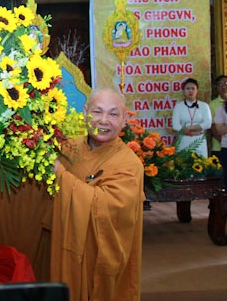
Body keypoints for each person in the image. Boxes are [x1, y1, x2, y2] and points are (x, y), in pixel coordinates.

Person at [51, 88, 144, 301]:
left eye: (113, 114)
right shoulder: (69, 149)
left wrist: (60, 175)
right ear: (85, 113)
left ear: (124, 119)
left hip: (101, 256)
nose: (104, 120)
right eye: (97, 112)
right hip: (68, 245)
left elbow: (108, 208)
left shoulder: (129, 164)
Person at [171, 78, 212, 157]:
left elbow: (208, 124)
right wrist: (188, 132)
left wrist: (191, 128)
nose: (190, 91)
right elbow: (175, 126)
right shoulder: (178, 106)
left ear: (197, 91)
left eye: (193, 88)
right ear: (184, 91)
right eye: (187, 89)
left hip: (199, 139)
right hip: (184, 138)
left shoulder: (204, 106)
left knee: (201, 164)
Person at [209, 75, 227, 159]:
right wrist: (222, 141)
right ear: (216, 87)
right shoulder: (212, 104)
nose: (223, 86)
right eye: (220, 84)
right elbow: (212, 126)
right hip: (219, 146)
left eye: (226, 83)